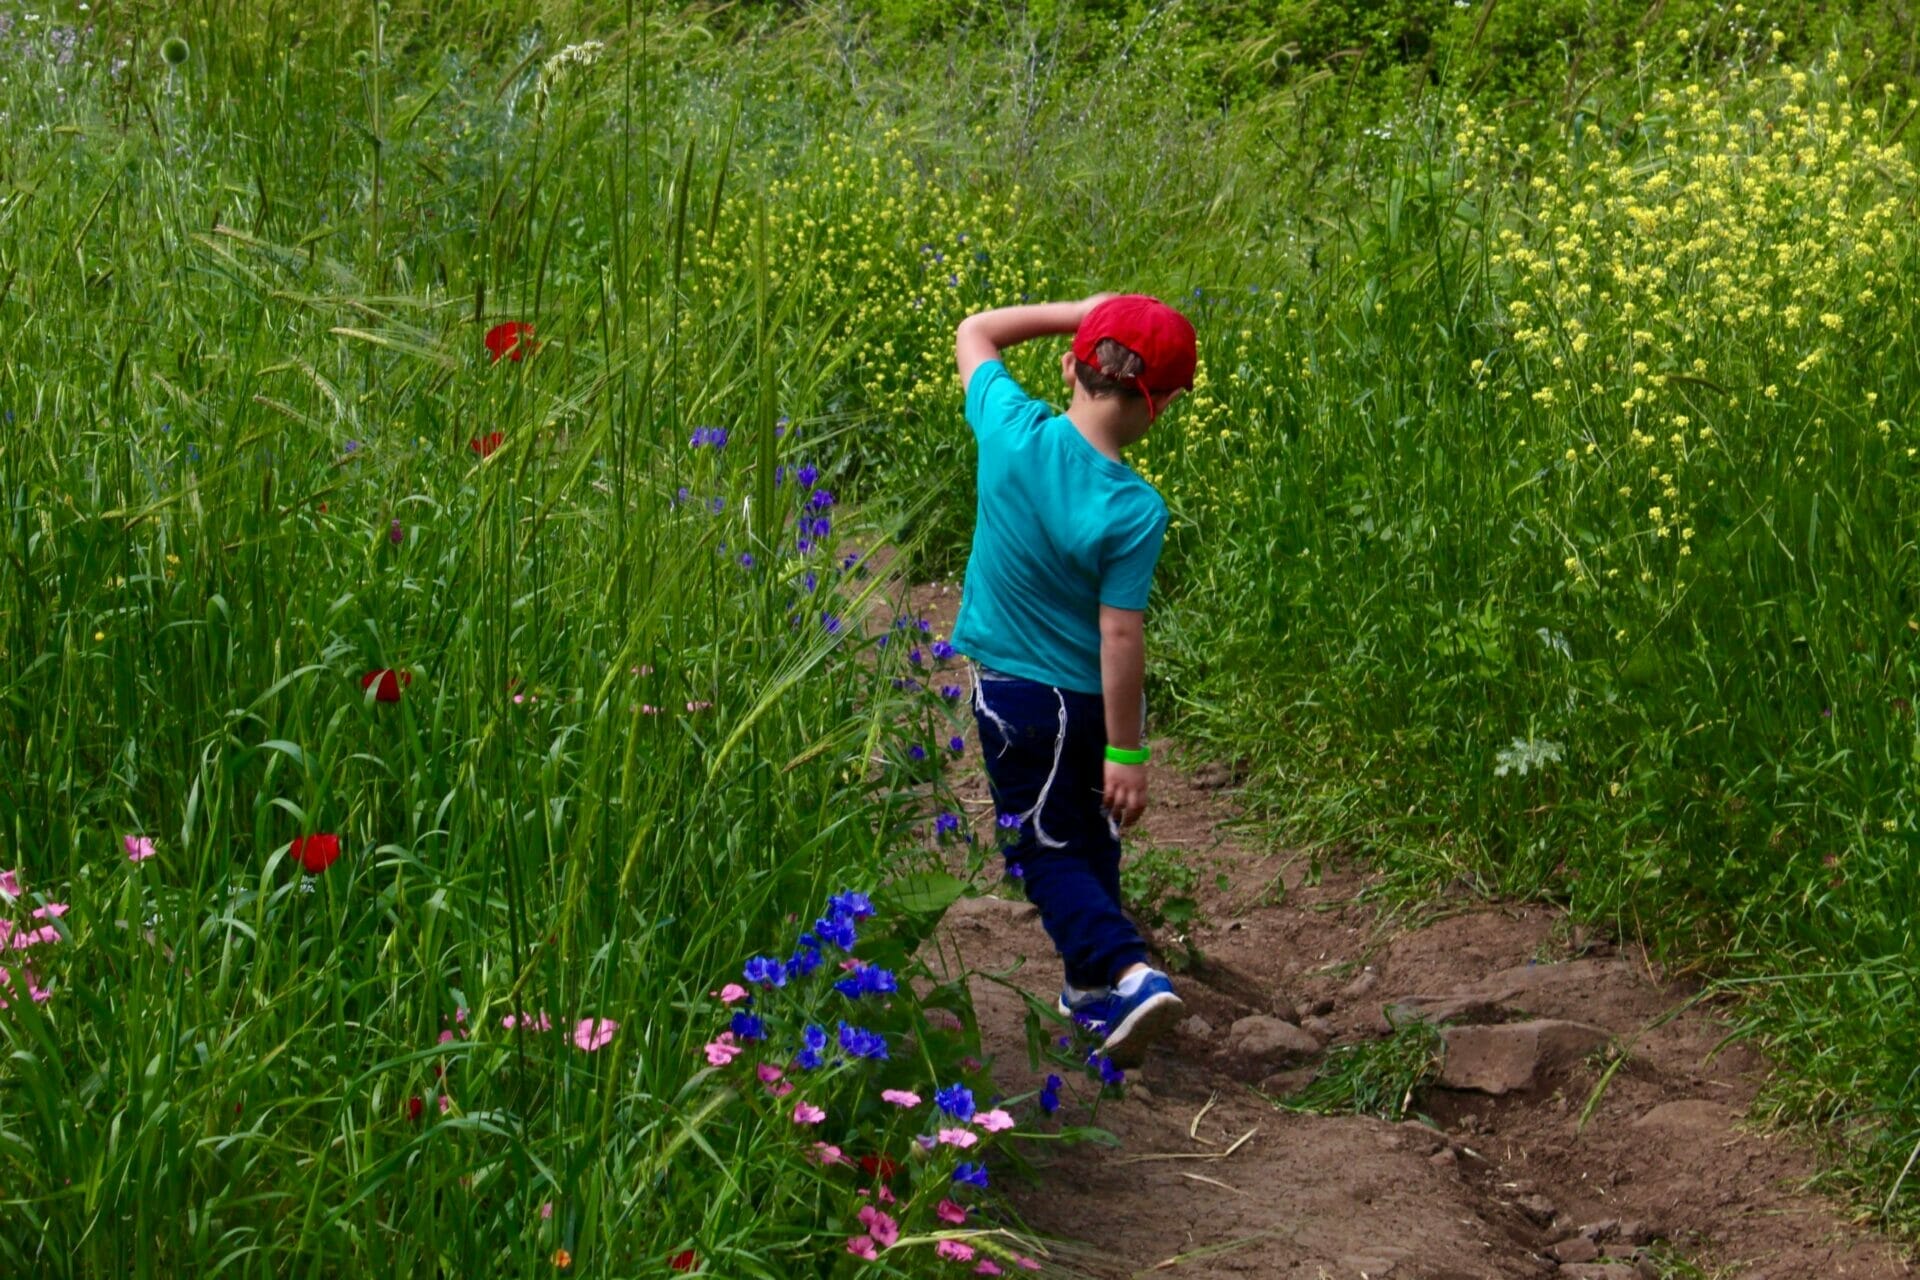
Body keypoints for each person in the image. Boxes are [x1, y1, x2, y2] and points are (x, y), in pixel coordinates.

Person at [949, 292, 1196, 1069]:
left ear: (1068, 365)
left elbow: (975, 330)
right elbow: (1119, 632)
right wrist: (1126, 750)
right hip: (1089, 707)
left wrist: (1078, 310)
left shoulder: (1010, 430)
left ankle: (1127, 970)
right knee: (1089, 836)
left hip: (1016, 698)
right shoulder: (1136, 507)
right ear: (1161, 405)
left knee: (1041, 849)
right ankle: (1091, 990)